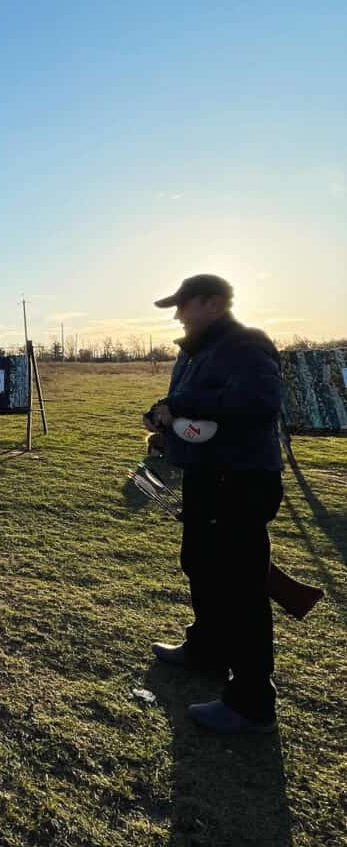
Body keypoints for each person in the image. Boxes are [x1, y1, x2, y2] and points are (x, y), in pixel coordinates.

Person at [144, 274, 284, 734]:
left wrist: (181, 403)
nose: (178, 314)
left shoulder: (247, 345)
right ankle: (205, 652)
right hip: (207, 478)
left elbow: (258, 404)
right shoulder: (195, 351)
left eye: (185, 305)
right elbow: (189, 408)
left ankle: (251, 702)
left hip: (241, 481)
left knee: (241, 588)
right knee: (200, 565)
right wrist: (162, 419)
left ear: (214, 303)